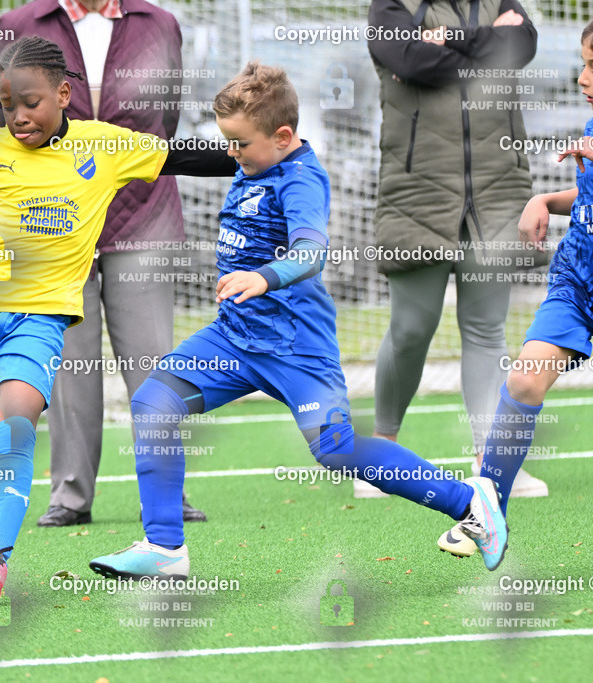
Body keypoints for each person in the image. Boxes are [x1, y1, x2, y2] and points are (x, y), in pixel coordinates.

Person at [89, 62, 509, 580]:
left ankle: (469, 503)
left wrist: (263, 277)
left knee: (335, 451)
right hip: (234, 337)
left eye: (239, 143)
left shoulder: (301, 178)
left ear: (282, 136)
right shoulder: (251, 161)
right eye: (228, 142)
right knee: (154, 403)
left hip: (294, 346)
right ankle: (165, 548)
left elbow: (312, 250)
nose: (231, 153)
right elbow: (177, 158)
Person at [0, 36, 233, 605]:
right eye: (7, 103)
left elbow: (179, 155)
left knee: (14, 424)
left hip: (40, 320)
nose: (18, 116)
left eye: (31, 102)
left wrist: (256, 153)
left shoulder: (104, 146)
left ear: (64, 94)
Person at [0, 0, 206, 527]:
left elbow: (167, 117)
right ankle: (69, 495)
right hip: (55, 223)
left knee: (154, 365)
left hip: (145, 218)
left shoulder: (160, 24)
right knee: (67, 368)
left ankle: (166, 494)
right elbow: (8, 122)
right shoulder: (20, 25)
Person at [365, 0, 547, 505]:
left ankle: (490, 464)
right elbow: (409, 61)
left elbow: (521, 47)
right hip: (417, 193)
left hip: (498, 190)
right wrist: (485, 44)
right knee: (410, 330)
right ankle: (381, 453)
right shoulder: (390, 6)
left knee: (487, 328)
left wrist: (445, 40)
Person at [438, 18, 593, 554]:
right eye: (583, 62)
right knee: (524, 381)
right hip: (576, 279)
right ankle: (488, 517)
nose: (582, 76)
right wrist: (544, 201)